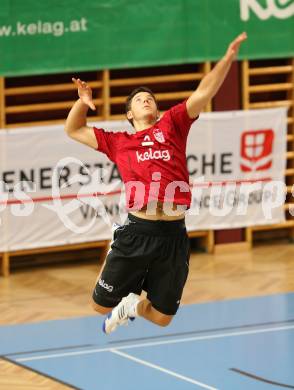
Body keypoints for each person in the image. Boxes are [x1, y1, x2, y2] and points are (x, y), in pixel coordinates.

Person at [65, 32, 247, 334]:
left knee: (163, 318)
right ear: (129, 114)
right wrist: (82, 103)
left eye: (150, 97)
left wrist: (226, 60)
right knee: (99, 306)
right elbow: (73, 129)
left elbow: (204, 92)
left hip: (174, 233)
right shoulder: (118, 142)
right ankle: (117, 250)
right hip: (138, 230)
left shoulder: (172, 124)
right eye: (139, 99)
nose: (146, 99)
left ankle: (133, 305)